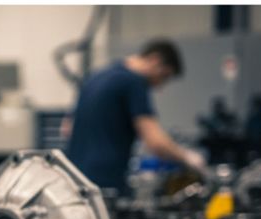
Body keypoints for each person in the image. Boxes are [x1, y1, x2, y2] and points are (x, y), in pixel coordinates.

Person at [63, 39, 207, 192]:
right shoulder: (133, 82)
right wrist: (188, 158)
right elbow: (156, 143)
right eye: (164, 76)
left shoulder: (95, 77)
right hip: (105, 184)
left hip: (74, 179)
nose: (160, 86)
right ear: (155, 60)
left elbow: (66, 128)